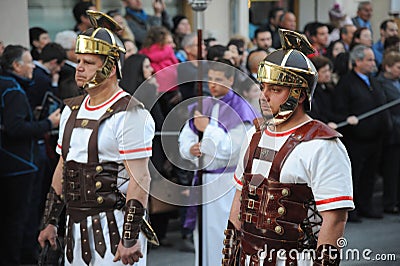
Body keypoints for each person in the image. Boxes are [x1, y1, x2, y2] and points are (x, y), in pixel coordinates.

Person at [223, 29, 354, 265]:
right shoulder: (254, 134)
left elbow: (334, 219)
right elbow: (240, 197)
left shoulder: (323, 145)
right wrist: (231, 257)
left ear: (299, 94)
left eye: (275, 89)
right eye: (263, 87)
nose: (264, 96)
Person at [37, 11, 155, 266]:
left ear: (110, 68)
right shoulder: (71, 109)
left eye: (88, 62)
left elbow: (140, 178)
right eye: (78, 60)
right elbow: (63, 165)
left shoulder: (132, 114)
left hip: (115, 226)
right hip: (74, 227)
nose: (79, 68)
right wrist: (50, 220)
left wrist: (129, 238)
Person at [179, 59, 259, 266]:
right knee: (203, 236)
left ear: (231, 80)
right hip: (204, 180)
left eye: (219, 79)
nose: (212, 84)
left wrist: (208, 130)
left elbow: (234, 149)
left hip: (227, 182)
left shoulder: (241, 108)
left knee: (224, 234)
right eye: (210, 79)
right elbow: (186, 136)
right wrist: (190, 149)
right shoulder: (202, 104)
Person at [0, 44, 60, 266]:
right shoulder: (12, 89)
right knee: (18, 218)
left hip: (13, 163)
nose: (32, 67)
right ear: (16, 65)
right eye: (28, 62)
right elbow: (16, 128)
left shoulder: (10, 86)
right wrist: (47, 123)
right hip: (20, 165)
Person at [332, 44, 389, 222]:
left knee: (369, 175)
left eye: (373, 59)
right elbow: (339, 109)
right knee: (355, 175)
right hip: (356, 139)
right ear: (357, 61)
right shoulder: (346, 83)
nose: (373, 63)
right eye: (369, 59)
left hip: (375, 137)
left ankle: (367, 205)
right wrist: (349, 119)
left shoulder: (373, 80)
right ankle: (353, 209)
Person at [372, 51, 400, 214]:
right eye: (397, 67)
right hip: (392, 133)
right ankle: (390, 202)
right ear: (388, 67)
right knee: (391, 171)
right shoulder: (381, 83)